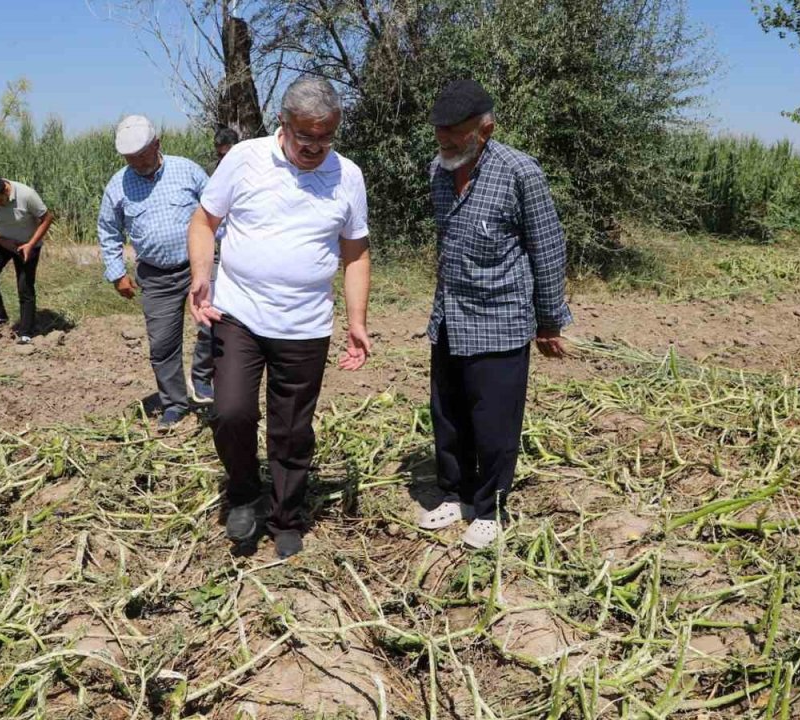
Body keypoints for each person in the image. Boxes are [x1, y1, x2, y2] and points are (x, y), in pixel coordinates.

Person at [186, 76, 372, 559]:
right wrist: (201, 274)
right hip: (239, 312)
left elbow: (355, 253)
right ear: (283, 125)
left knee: (292, 428)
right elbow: (204, 221)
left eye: (326, 137)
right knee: (231, 412)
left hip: (306, 325)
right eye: (306, 136)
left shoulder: (347, 175)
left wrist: (356, 320)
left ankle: (287, 514)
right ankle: (245, 492)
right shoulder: (244, 158)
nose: (316, 147)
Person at [416, 79, 573, 549]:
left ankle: (490, 507)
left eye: (456, 135)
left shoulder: (520, 172)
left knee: (494, 422)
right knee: (448, 414)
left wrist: (548, 321)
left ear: (485, 131)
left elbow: (546, 247)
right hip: (450, 316)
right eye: (439, 134)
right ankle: (455, 493)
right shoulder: (438, 171)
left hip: (501, 317)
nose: (444, 143)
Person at [98, 115, 215, 429]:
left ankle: (203, 378)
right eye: (129, 158)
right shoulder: (118, 185)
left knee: (213, 327)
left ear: (157, 144)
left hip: (199, 268)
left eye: (142, 155)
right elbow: (108, 230)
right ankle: (174, 404)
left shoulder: (187, 170)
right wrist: (116, 272)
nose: (136, 163)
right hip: (156, 276)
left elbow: (217, 210)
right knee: (163, 345)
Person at [0, 176, 53, 345]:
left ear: (6, 190)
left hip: (27, 244)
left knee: (25, 287)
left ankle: (26, 332)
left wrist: (31, 244)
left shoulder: (27, 195)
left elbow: (47, 218)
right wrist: (0, 239)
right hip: (1, 241)